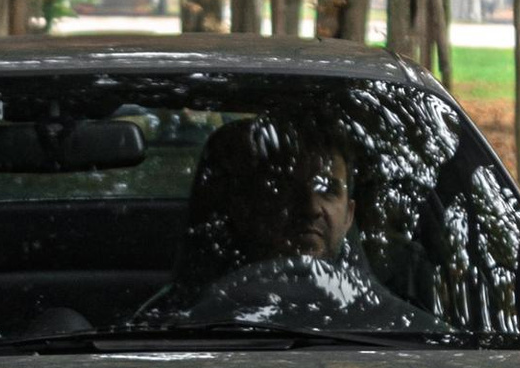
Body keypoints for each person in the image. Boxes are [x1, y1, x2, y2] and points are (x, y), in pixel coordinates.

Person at [122, 113, 402, 336]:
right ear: (246, 208)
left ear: (349, 215)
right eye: (285, 188)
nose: (310, 207)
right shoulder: (175, 327)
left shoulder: (399, 326)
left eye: (327, 189)